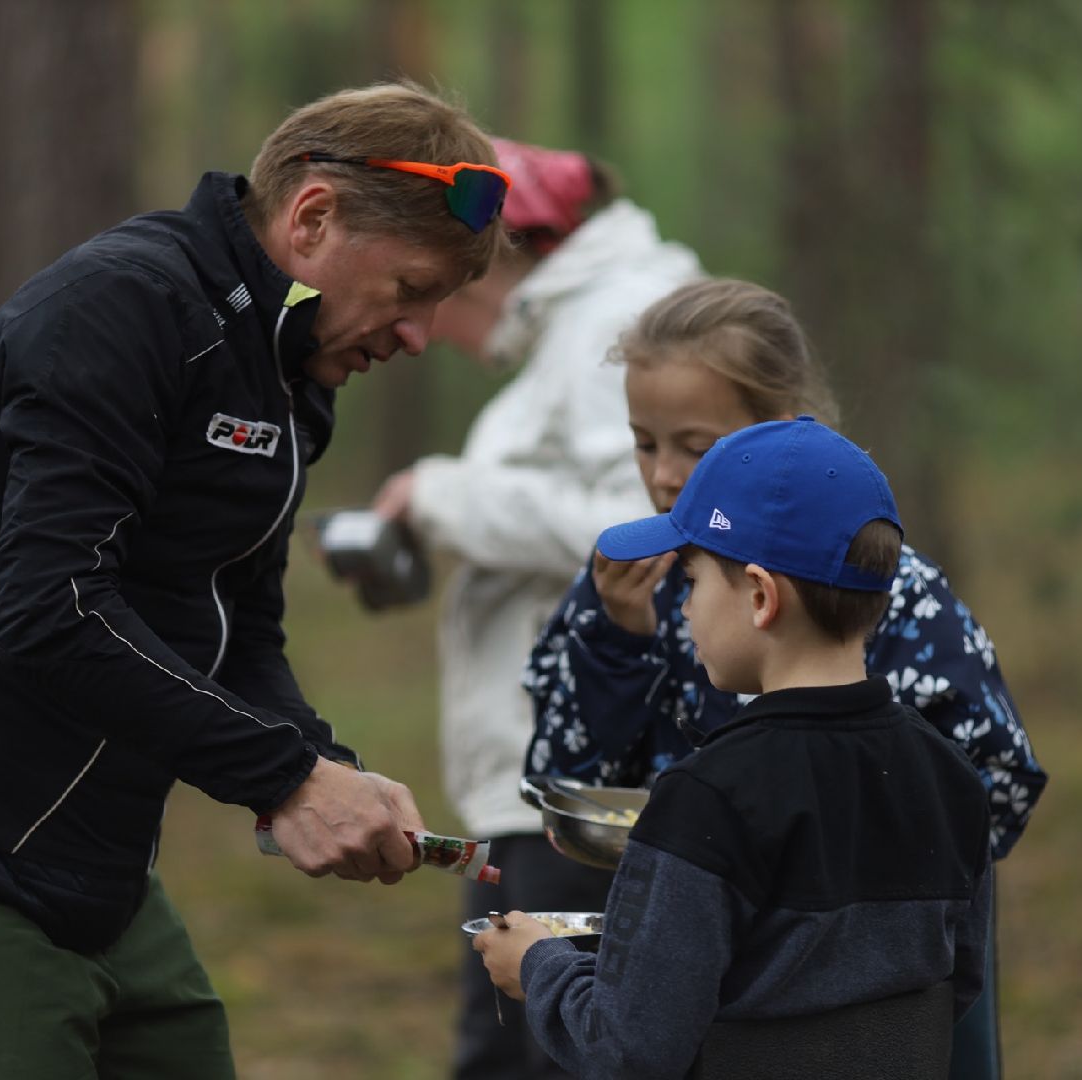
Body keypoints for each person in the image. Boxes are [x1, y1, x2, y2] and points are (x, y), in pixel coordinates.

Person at [0, 82, 511, 1078]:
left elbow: (234, 630)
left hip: (107, 879)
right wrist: (283, 778)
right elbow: (50, 609)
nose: (419, 336)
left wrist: (324, 767)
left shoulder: (283, 370)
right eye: (410, 291)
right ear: (313, 217)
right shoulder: (123, 307)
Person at [521, 279, 1047, 1079]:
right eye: (643, 441)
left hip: (864, 966)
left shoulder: (893, 592)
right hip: (686, 932)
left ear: (778, 430)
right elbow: (562, 780)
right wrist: (616, 647)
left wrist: (820, 855)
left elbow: (988, 785)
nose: (665, 475)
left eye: (696, 447)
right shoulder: (627, 575)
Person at [476, 416, 994, 1079]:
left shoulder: (706, 801)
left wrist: (538, 967)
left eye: (690, 582)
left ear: (758, 596)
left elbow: (630, 1049)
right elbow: (956, 988)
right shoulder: (952, 779)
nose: (683, 609)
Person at [366, 139, 700, 1079]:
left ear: (512, 254)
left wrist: (445, 497)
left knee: (527, 1048)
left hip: (581, 784)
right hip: (553, 779)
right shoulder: (584, 327)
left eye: (441, 280)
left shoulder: (619, 324)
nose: (425, 316)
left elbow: (646, 527)